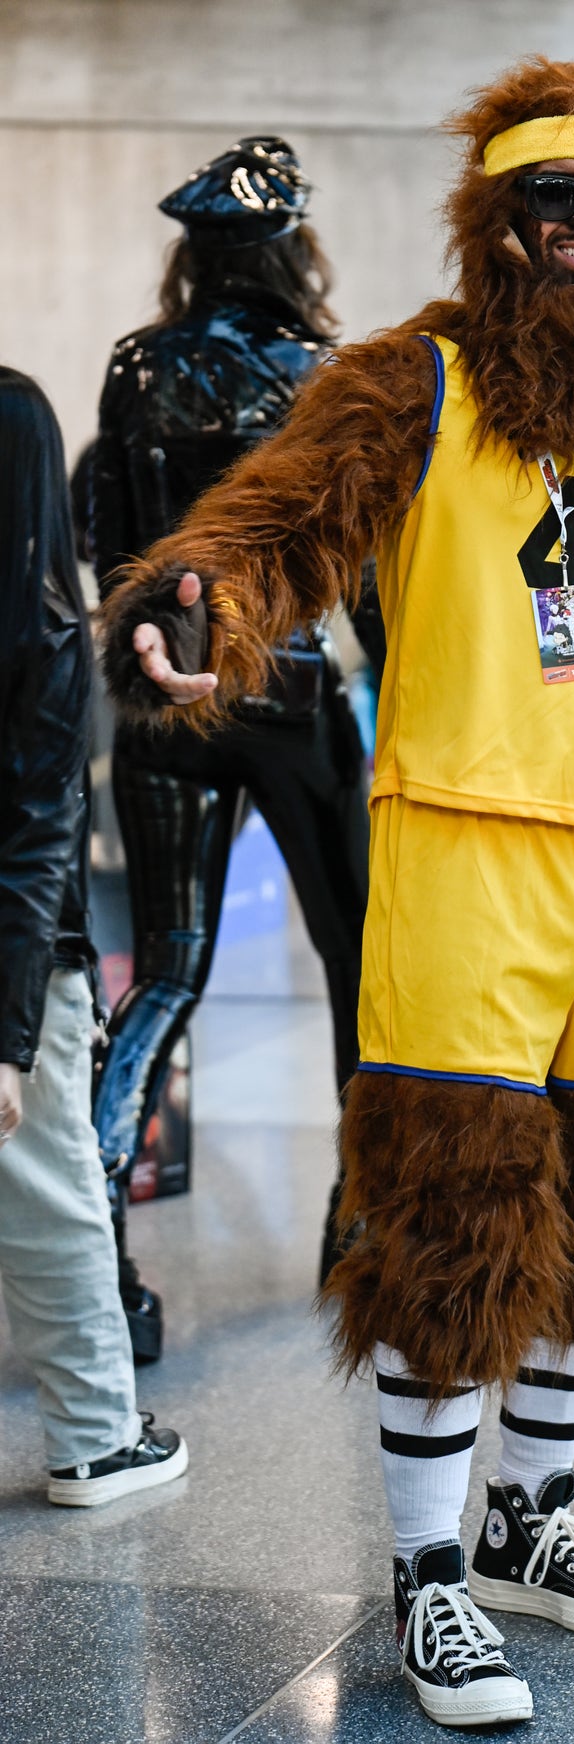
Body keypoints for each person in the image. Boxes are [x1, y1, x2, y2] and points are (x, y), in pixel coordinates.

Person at [100, 58, 574, 1728]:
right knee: (456, 1218)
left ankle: (528, 1515)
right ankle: (430, 1576)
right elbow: (280, 528)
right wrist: (196, 600)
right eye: (549, 193)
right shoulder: (411, 384)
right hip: (458, 854)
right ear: (494, 214)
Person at [89, 137, 383, 1358]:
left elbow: (111, 544)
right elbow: (362, 566)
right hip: (291, 695)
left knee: (165, 973)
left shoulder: (136, 365)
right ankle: (358, 1226)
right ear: (290, 250)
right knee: (360, 964)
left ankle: (98, 1259)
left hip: (165, 699)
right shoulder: (324, 373)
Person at [0, 367, 187, 1507]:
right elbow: (35, 833)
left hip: (20, 952)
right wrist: (13, 1032)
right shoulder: (44, 633)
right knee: (52, 1188)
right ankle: (97, 1439)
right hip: (19, 959)